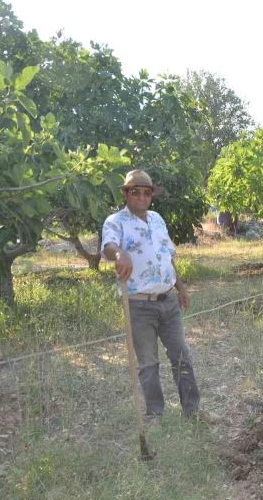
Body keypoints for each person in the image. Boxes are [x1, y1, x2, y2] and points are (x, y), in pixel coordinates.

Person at [101, 169, 205, 422]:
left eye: (146, 192)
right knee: (148, 363)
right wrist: (119, 255)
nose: (141, 196)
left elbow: (166, 256)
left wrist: (180, 287)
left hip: (168, 301)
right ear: (126, 193)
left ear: (151, 196)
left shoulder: (157, 219)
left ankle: (192, 411)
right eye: (135, 191)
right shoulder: (115, 221)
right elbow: (109, 246)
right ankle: (155, 414)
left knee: (182, 357)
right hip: (138, 305)